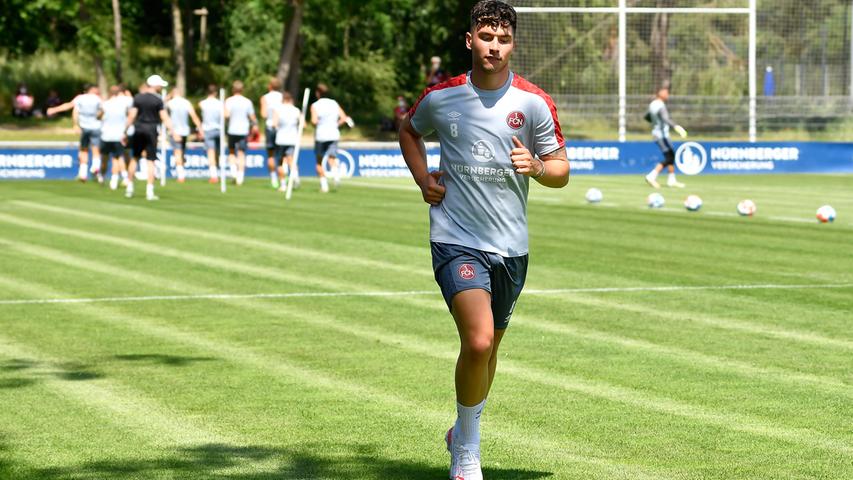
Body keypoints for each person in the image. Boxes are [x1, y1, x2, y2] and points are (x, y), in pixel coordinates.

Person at [398, 2, 569, 479]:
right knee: (476, 342)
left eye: (504, 39)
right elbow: (409, 131)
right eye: (486, 36)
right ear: (470, 39)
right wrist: (421, 179)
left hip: (511, 246)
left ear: (513, 44)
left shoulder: (533, 102)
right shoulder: (443, 96)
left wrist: (537, 166)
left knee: (490, 349)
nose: (494, 46)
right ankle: (467, 451)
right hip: (455, 237)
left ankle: (461, 427)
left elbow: (561, 170)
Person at [124, 75, 179, 200]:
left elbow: (131, 116)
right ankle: (149, 191)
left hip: (138, 129)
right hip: (151, 130)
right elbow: (164, 117)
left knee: (135, 158)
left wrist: (125, 131)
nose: (160, 87)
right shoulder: (157, 100)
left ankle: (129, 188)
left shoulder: (138, 97)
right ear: (155, 85)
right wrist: (173, 132)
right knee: (150, 160)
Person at [48, 84, 103, 182]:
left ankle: (83, 173)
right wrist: (99, 117)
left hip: (84, 127)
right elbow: (103, 110)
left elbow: (69, 106)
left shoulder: (80, 98)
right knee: (96, 149)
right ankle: (95, 167)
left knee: (83, 149)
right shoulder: (98, 99)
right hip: (96, 127)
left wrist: (54, 109)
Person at [310, 83, 351, 193]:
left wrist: (318, 123)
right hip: (333, 133)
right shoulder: (334, 103)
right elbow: (344, 118)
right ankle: (335, 174)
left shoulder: (315, 105)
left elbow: (314, 121)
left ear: (318, 93)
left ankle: (324, 186)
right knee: (331, 157)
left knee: (319, 161)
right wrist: (335, 124)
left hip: (321, 135)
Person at [644, 86, 687, 189]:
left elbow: (646, 117)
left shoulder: (652, 104)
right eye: (666, 93)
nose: (668, 95)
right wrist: (676, 127)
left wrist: (655, 124)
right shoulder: (660, 105)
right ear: (660, 93)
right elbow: (665, 118)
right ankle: (651, 176)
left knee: (671, 155)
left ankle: (671, 180)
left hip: (658, 133)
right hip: (662, 135)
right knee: (669, 157)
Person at [224, 80, 258, 186]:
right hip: (243, 130)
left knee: (231, 152)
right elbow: (252, 117)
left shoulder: (229, 101)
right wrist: (255, 125)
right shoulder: (247, 102)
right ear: (242, 90)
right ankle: (240, 177)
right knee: (241, 153)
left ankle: (234, 172)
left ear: (233, 89)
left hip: (232, 130)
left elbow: (226, 115)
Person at [167, 88, 203, 183]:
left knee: (177, 153)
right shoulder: (186, 102)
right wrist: (200, 128)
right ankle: (181, 172)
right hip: (184, 131)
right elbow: (194, 116)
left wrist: (167, 97)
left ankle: (181, 175)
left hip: (174, 131)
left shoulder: (170, 103)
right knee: (181, 152)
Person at [98, 85, 131, 190]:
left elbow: (98, 116)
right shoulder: (123, 105)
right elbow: (128, 116)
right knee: (118, 158)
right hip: (119, 135)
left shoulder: (105, 104)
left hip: (106, 135)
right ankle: (117, 178)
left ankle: (103, 177)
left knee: (105, 158)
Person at [271, 91, 302, 192]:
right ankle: (296, 176)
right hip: (292, 139)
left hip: (280, 139)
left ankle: (283, 184)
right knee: (291, 159)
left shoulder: (278, 109)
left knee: (280, 162)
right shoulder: (296, 110)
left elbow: (274, 124)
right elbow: (303, 124)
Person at [260, 77, 284, 189]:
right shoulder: (283, 97)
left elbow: (264, 114)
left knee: (271, 155)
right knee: (282, 155)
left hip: (270, 127)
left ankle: (274, 179)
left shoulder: (265, 97)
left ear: (270, 86)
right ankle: (283, 177)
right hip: (281, 128)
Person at [199, 85, 223, 183]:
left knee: (211, 153)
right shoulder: (220, 103)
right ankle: (216, 172)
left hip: (208, 130)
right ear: (215, 93)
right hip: (219, 130)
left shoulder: (202, 103)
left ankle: (214, 175)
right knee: (217, 153)